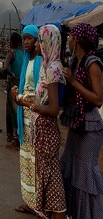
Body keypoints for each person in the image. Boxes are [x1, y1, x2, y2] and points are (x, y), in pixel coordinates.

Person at [14, 25, 67, 218]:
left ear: (46, 42)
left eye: (37, 40)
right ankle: (38, 208)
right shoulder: (48, 65)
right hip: (40, 129)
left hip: (46, 130)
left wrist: (29, 106)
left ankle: (49, 211)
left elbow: (52, 109)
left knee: (51, 180)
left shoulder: (52, 68)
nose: (34, 43)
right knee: (45, 176)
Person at [60, 23, 103, 219]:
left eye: (70, 37)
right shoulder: (74, 62)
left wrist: (73, 82)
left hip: (90, 126)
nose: (68, 40)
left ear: (76, 40)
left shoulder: (92, 63)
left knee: (85, 176)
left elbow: (98, 99)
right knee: (71, 167)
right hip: (78, 122)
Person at [11, 24, 42, 215]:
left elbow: (42, 91)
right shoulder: (26, 61)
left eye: (30, 38)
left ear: (37, 40)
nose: (26, 42)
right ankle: (29, 202)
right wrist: (18, 94)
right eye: (24, 39)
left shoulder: (40, 60)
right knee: (26, 159)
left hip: (36, 113)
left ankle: (40, 203)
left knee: (37, 160)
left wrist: (24, 98)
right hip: (24, 113)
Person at [4, 32, 24, 149]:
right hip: (21, 83)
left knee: (12, 110)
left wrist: (11, 75)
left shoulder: (11, 54)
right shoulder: (22, 53)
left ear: (11, 42)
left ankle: (15, 140)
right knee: (19, 109)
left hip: (13, 84)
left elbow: (5, 68)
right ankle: (20, 136)